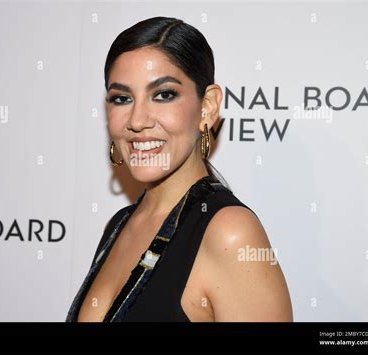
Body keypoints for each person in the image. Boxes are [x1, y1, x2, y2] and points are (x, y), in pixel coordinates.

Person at [66, 16, 293, 322]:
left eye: (163, 95)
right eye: (122, 98)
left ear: (208, 106)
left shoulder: (229, 233)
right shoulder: (120, 224)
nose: (137, 120)